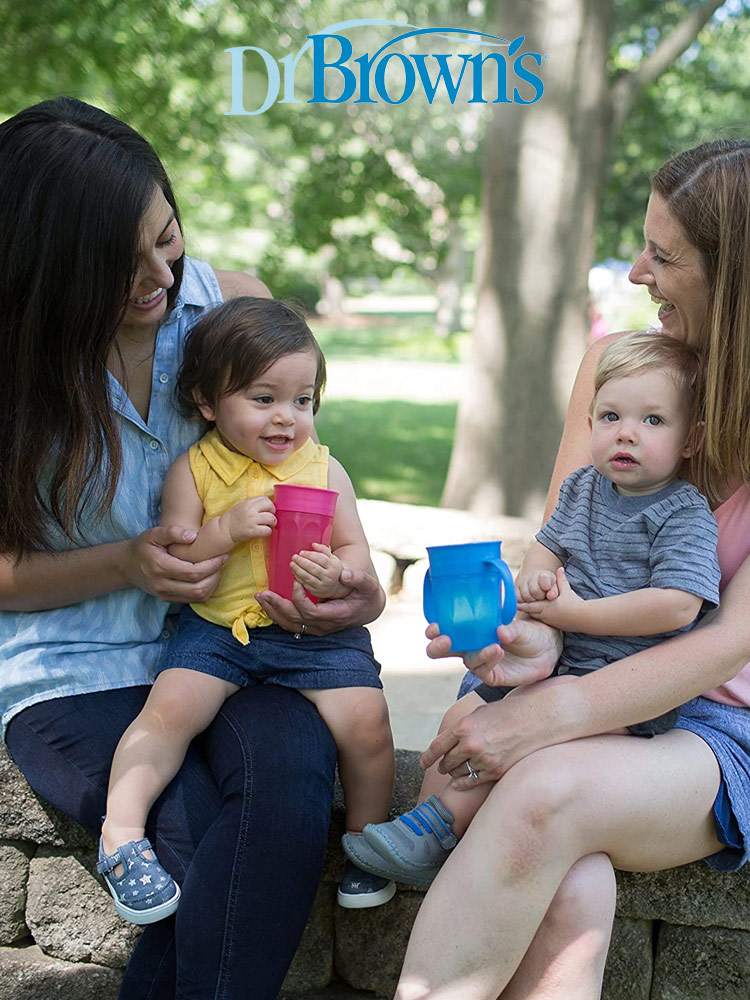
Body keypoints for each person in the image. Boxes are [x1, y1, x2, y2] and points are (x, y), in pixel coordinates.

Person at [0, 97, 385, 1000]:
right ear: (45, 268)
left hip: (236, 640)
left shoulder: (230, 309)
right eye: (117, 261)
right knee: (188, 845)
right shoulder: (16, 370)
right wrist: (127, 562)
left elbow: (315, 480)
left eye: (164, 237)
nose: (156, 276)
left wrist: (355, 593)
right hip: (72, 663)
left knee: (292, 787)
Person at [387, 138, 750, 1000]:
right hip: (584, 676)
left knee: (542, 792)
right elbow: (559, 567)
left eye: (663, 255)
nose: (635, 272)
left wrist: (550, 717)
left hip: (716, 727)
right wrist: (519, 648)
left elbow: (730, 640)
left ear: (733, 275)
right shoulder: (617, 370)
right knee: (565, 880)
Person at [343, 331, 721, 886]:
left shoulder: (682, 513)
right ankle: (418, 841)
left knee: (515, 747)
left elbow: (677, 606)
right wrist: (534, 587)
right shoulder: (584, 489)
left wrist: (572, 615)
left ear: (691, 440)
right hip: (558, 662)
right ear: (589, 424)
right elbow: (546, 551)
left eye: (654, 421)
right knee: (460, 718)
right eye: (611, 416)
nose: (627, 434)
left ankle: (438, 827)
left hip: (622, 692)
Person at [99, 296, 396, 919]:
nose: (286, 419)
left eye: (303, 401)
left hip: (316, 635)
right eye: (263, 399)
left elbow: (357, 552)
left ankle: (368, 844)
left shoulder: (325, 470)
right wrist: (225, 529)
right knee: (168, 713)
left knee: (366, 724)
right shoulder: (197, 470)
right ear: (208, 403)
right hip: (220, 630)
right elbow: (183, 560)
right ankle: (121, 837)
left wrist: (341, 575)